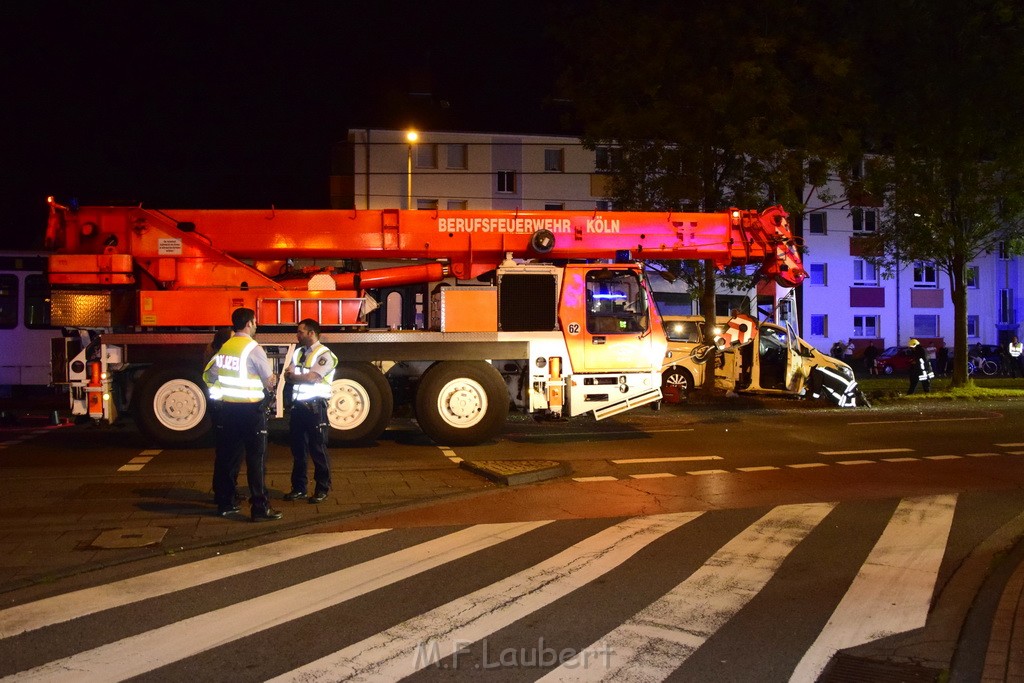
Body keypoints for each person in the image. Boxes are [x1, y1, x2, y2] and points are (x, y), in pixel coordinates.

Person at [203, 307, 282, 522]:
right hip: (250, 411)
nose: (256, 325)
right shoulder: (253, 348)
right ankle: (259, 508)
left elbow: (209, 375)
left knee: (228, 458)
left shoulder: (226, 347)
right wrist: (272, 380)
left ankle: (226, 504)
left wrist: (221, 393)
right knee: (256, 460)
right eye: (255, 322)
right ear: (249, 323)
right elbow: (268, 380)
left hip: (228, 410)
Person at [283, 318, 338, 504]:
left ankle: (322, 488)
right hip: (299, 407)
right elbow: (288, 373)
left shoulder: (325, 354)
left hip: (315, 408)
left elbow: (313, 377)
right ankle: (299, 488)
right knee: (298, 450)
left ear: (311, 333)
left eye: (300, 332)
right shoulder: (298, 352)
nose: (297, 335)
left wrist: (294, 377)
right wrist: (296, 377)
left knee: (318, 449)